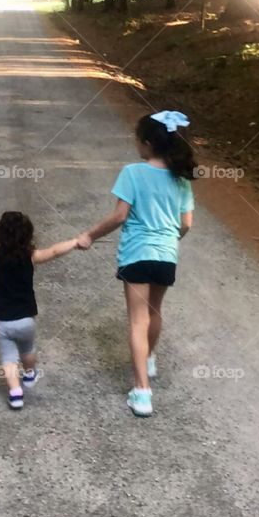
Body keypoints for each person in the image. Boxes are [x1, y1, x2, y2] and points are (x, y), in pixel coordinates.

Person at [77, 110, 196, 418]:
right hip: (166, 255)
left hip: (136, 254)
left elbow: (119, 216)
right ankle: (150, 358)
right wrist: (169, 240)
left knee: (136, 320)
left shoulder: (132, 173)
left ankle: (142, 391)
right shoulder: (181, 178)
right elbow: (186, 224)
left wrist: (89, 235)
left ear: (146, 143)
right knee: (155, 311)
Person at [0, 211, 81, 409]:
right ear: (29, 236)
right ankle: (30, 375)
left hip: (3, 321)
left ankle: (15, 392)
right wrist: (74, 241)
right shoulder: (31, 256)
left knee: (8, 359)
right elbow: (55, 251)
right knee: (27, 350)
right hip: (26, 320)